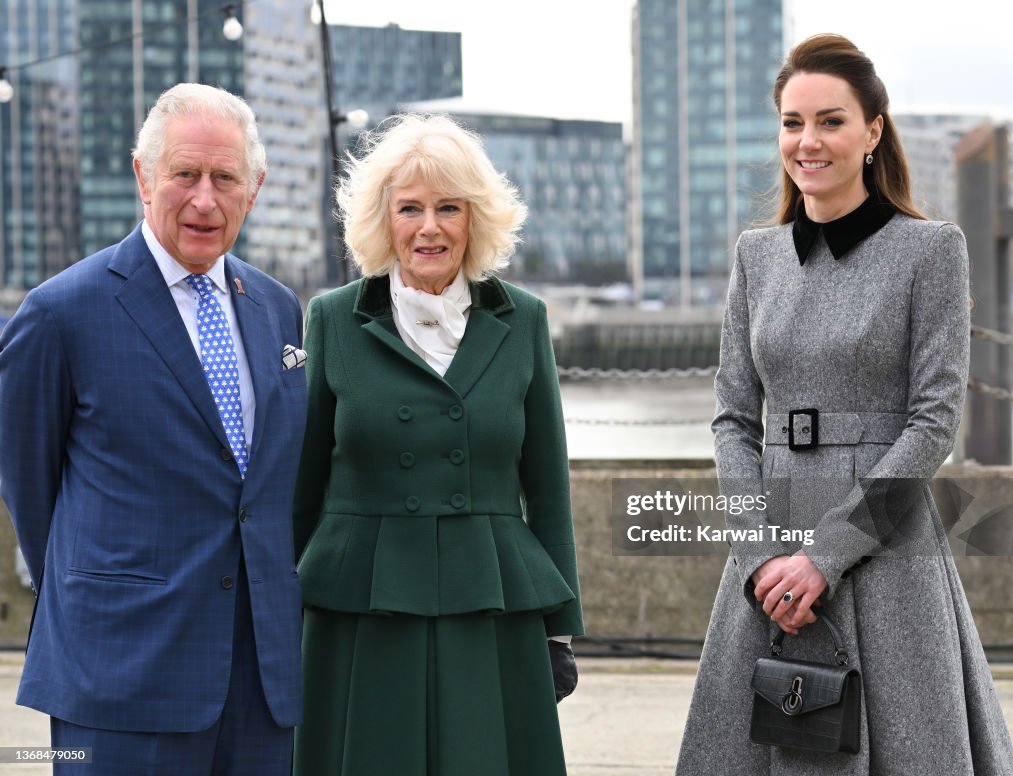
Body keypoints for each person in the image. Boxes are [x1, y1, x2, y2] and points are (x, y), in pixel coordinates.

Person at [676, 34, 1013, 775]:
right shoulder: (754, 257)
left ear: (873, 131)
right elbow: (734, 419)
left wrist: (826, 555)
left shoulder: (930, 250)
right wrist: (767, 552)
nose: (809, 141)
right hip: (768, 551)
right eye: (793, 122)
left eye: (830, 121)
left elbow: (933, 424)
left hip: (887, 548)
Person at [0, 83, 307, 775]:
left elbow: (266, 486)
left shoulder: (278, 309)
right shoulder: (60, 314)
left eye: (225, 178)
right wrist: (107, 598)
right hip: (120, 677)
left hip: (261, 677)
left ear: (252, 190)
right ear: (143, 177)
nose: (205, 199)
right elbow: (29, 485)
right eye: (185, 174)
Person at [291, 113, 584, 776]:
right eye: (411, 208)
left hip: (490, 603)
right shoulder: (332, 318)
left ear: (475, 219)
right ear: (383, 220)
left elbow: (547, 487)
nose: (429, 227)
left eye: (449, 208)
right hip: (359, 608)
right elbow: (302, 486)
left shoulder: (524, 319)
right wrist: (284, 617)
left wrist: (558, 629)